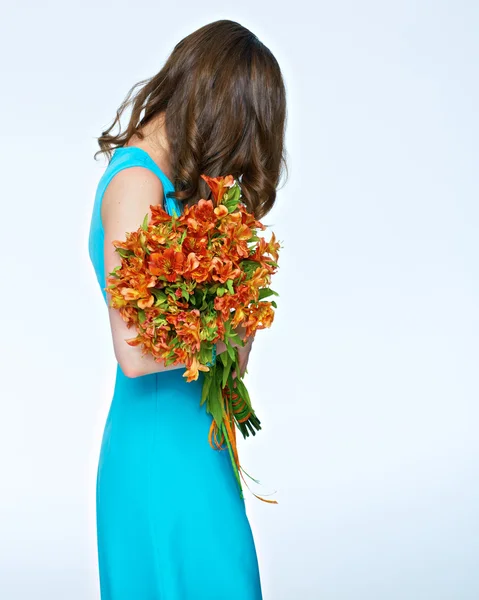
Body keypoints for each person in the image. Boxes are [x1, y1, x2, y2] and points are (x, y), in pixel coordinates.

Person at [88, 18, 287, 600]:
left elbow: (222, 348)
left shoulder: (173, 185)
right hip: (159, 459)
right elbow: (133, 347)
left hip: (198, 449)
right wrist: (230, 329)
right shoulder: (136, 185)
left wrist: (233, 319)